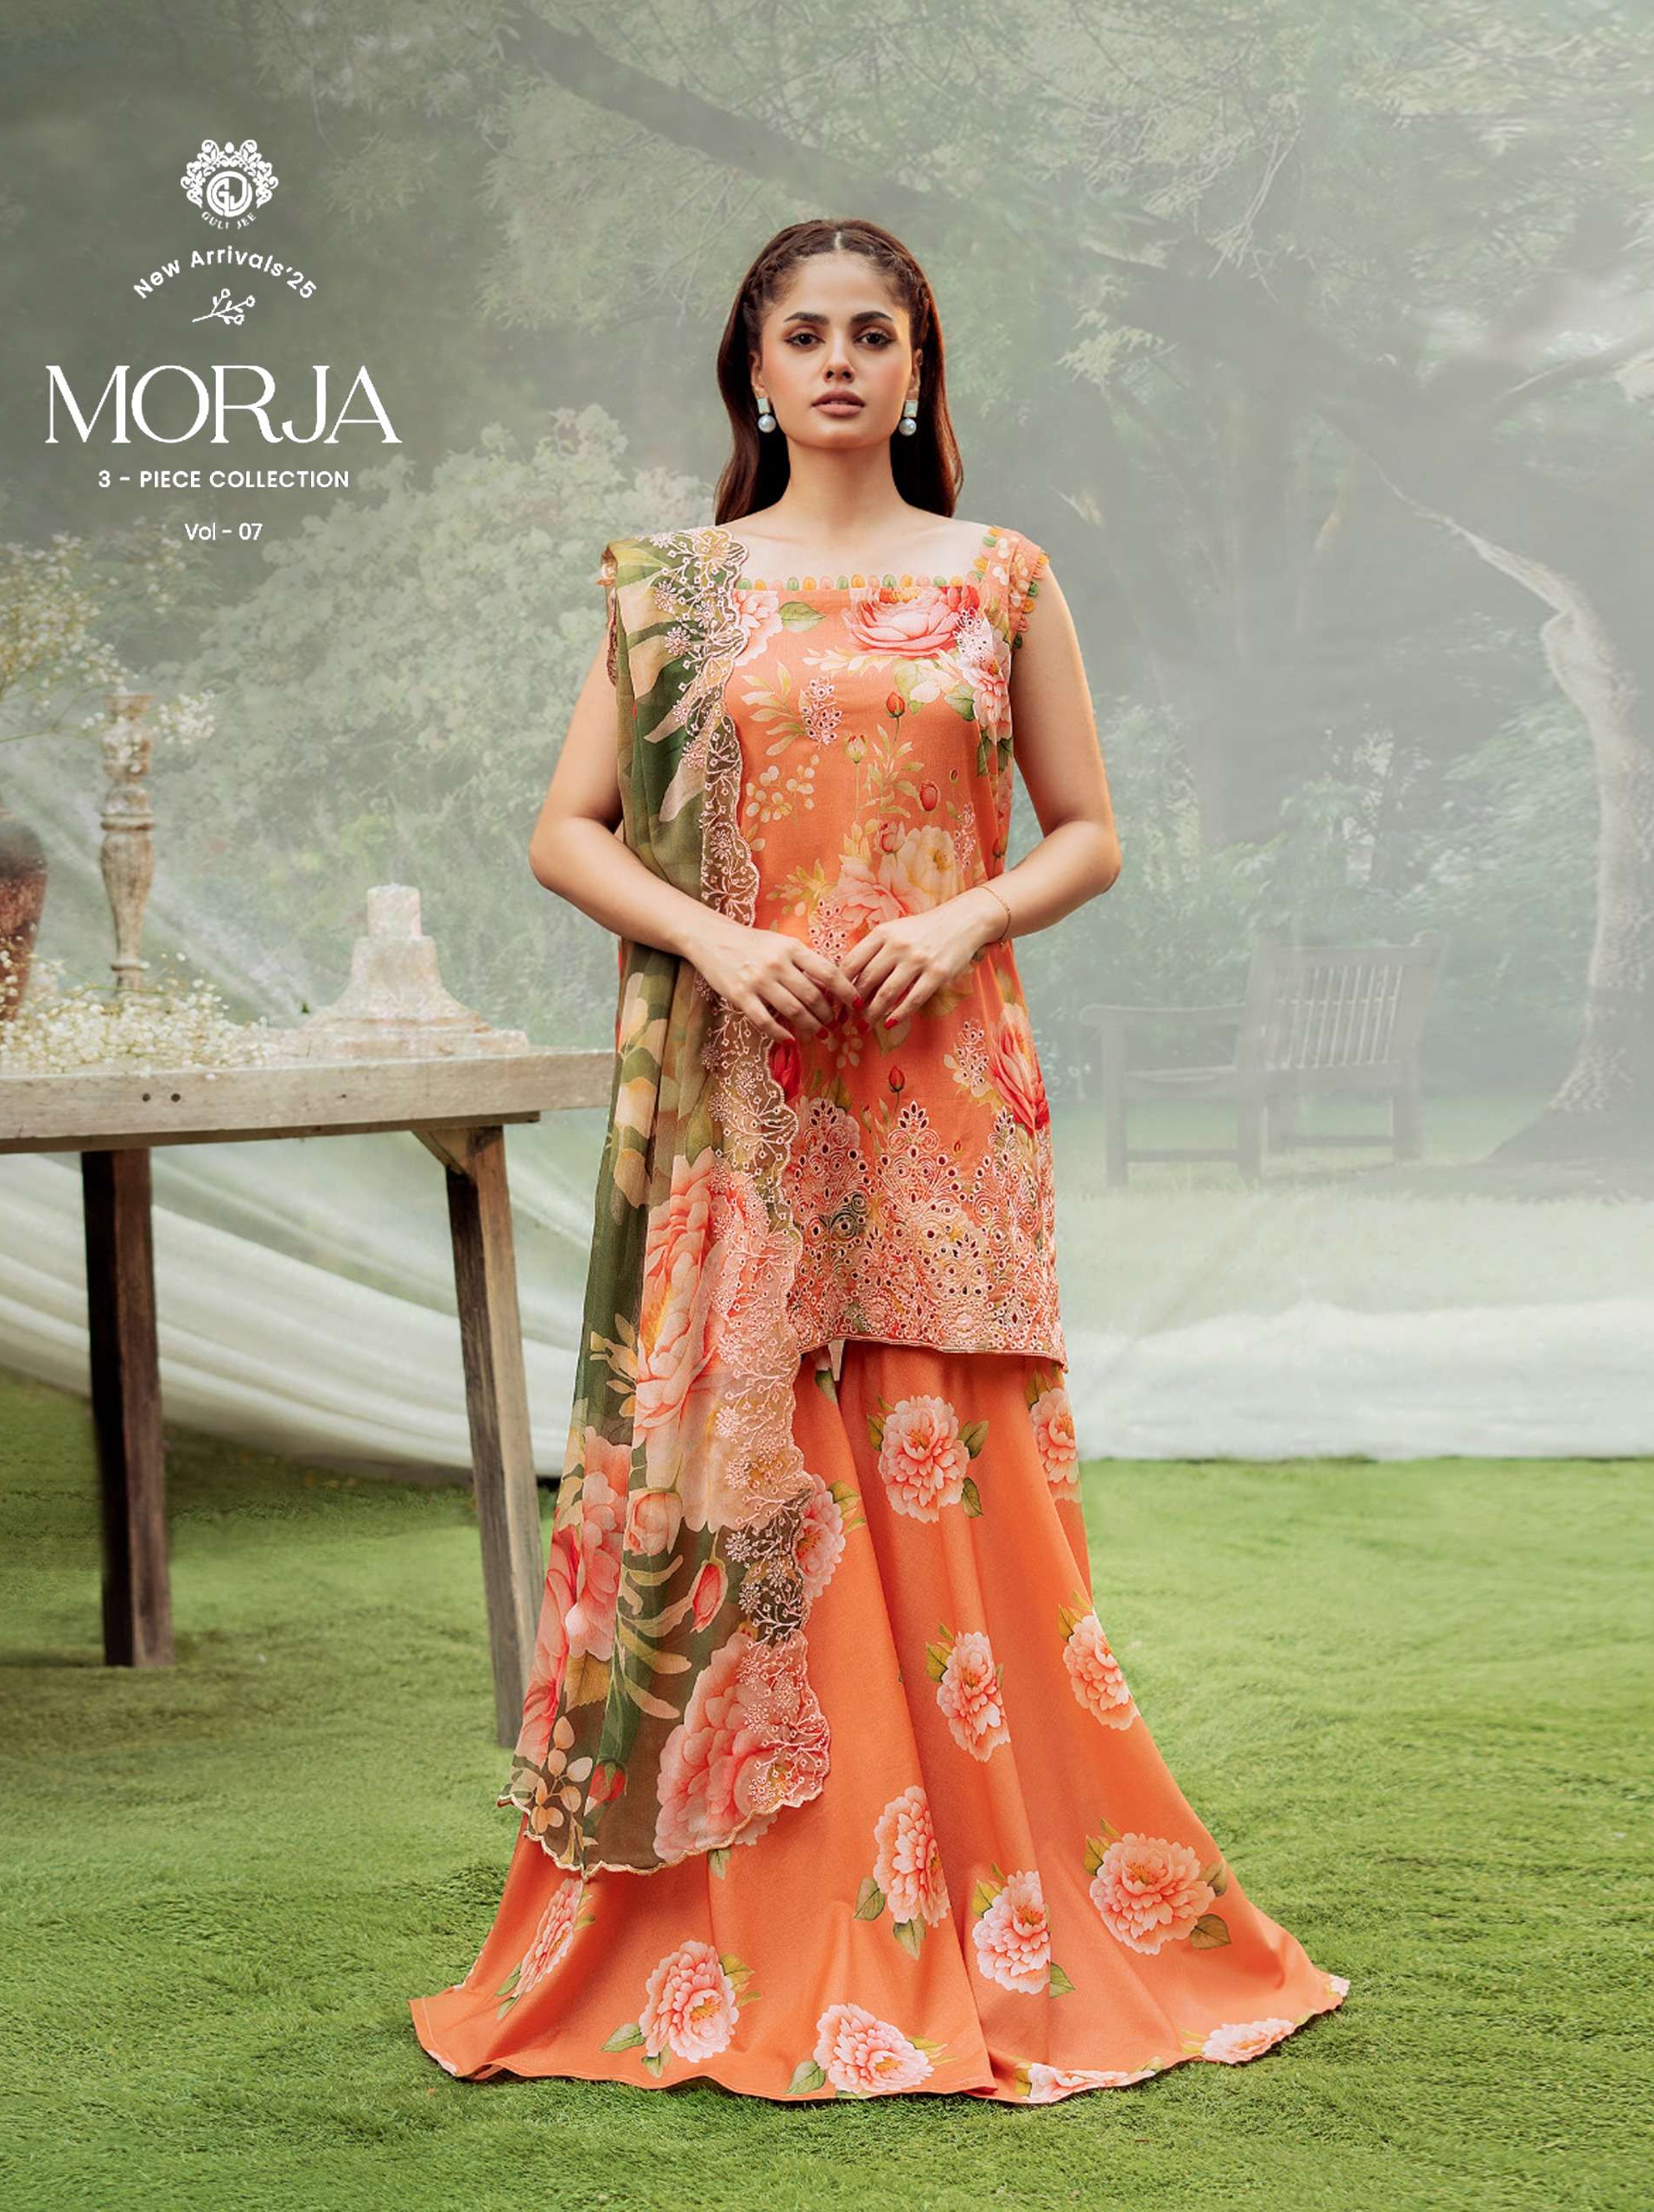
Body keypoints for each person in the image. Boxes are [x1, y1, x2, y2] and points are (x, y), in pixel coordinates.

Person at [407, 217, 1349, 2104]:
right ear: (752, 371)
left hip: (938, 1087)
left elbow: (1085, 830)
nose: (838, 362)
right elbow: (566, 827)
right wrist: (718, 942)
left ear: (918, 370)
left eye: (873, 334)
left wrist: (963, 917)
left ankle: (997, 1909)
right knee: (753, 1464)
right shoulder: (672, 589)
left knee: (940, 1464)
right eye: (804, 335)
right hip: (738, 1093)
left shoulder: (998, 576)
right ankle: (762, 1925)